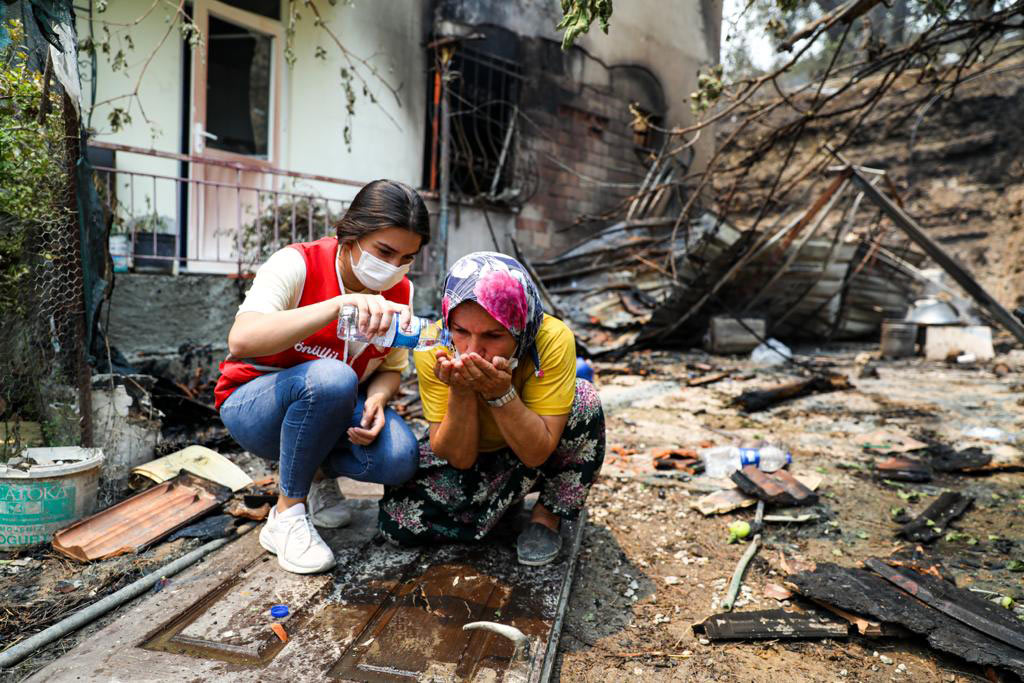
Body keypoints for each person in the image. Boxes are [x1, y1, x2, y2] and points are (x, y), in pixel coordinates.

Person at [214, 179, 428, 574]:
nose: (394, 267)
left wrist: (378, 400)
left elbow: (393, 369)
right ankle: (286, 515)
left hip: (331, 409)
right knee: (332, 378)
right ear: (349, 234)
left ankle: (317, 473)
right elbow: (242, 340)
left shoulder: (400, 293)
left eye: (406, 258)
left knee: (400, 457)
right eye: (384, 251)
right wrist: (337, 305)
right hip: (253, 404)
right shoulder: (297, 263)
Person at [378, 252, 606, 566]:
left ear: (520, 329)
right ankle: (503, 505)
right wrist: (461, 391)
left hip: (532, 450)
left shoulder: (549, 339)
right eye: (461, 332)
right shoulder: (433, 345)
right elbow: (458, 458)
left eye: (493, 335)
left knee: (583, 401)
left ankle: (546, 517)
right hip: (475, 457)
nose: (472, 351)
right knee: (397, 525)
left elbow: (537, 453)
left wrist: (500, 393)